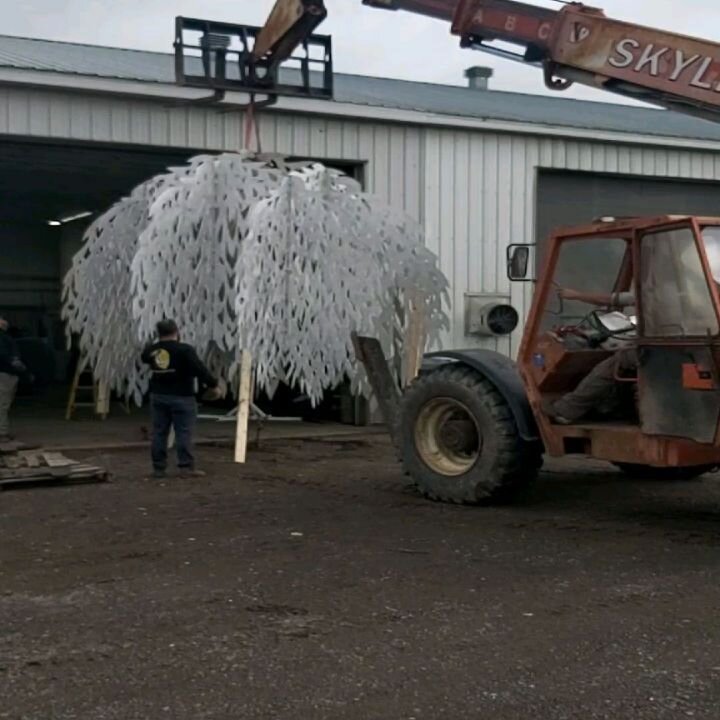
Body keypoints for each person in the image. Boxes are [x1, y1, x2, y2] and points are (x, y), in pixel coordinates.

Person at [141, 319, 220, 478]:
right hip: (182, 396)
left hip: (158, 396)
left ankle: (158, 468)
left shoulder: (152, 350)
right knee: (183, 432)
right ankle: (186, 467)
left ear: (159, 333)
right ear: (177, 332)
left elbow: (144, 357)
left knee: (159, 432)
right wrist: (213, 385)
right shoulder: (185, 350)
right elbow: (200, 370)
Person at [547, 288, 637, 425]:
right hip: (674, 347)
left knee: (607, 369)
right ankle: (615, 406)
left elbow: (610, 299)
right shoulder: (677, 289)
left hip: (654, 347)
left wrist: (576, 295)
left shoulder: (652, 290)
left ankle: (566, 410)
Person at [0, 315, 28, 442]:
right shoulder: (2, 338)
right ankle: (2, 433)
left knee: (4, 403)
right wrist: (14, 362)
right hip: (4, 373)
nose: (5, 322)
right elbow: (3, 354)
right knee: (2, 404)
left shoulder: (5, 338)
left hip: (7, 373)